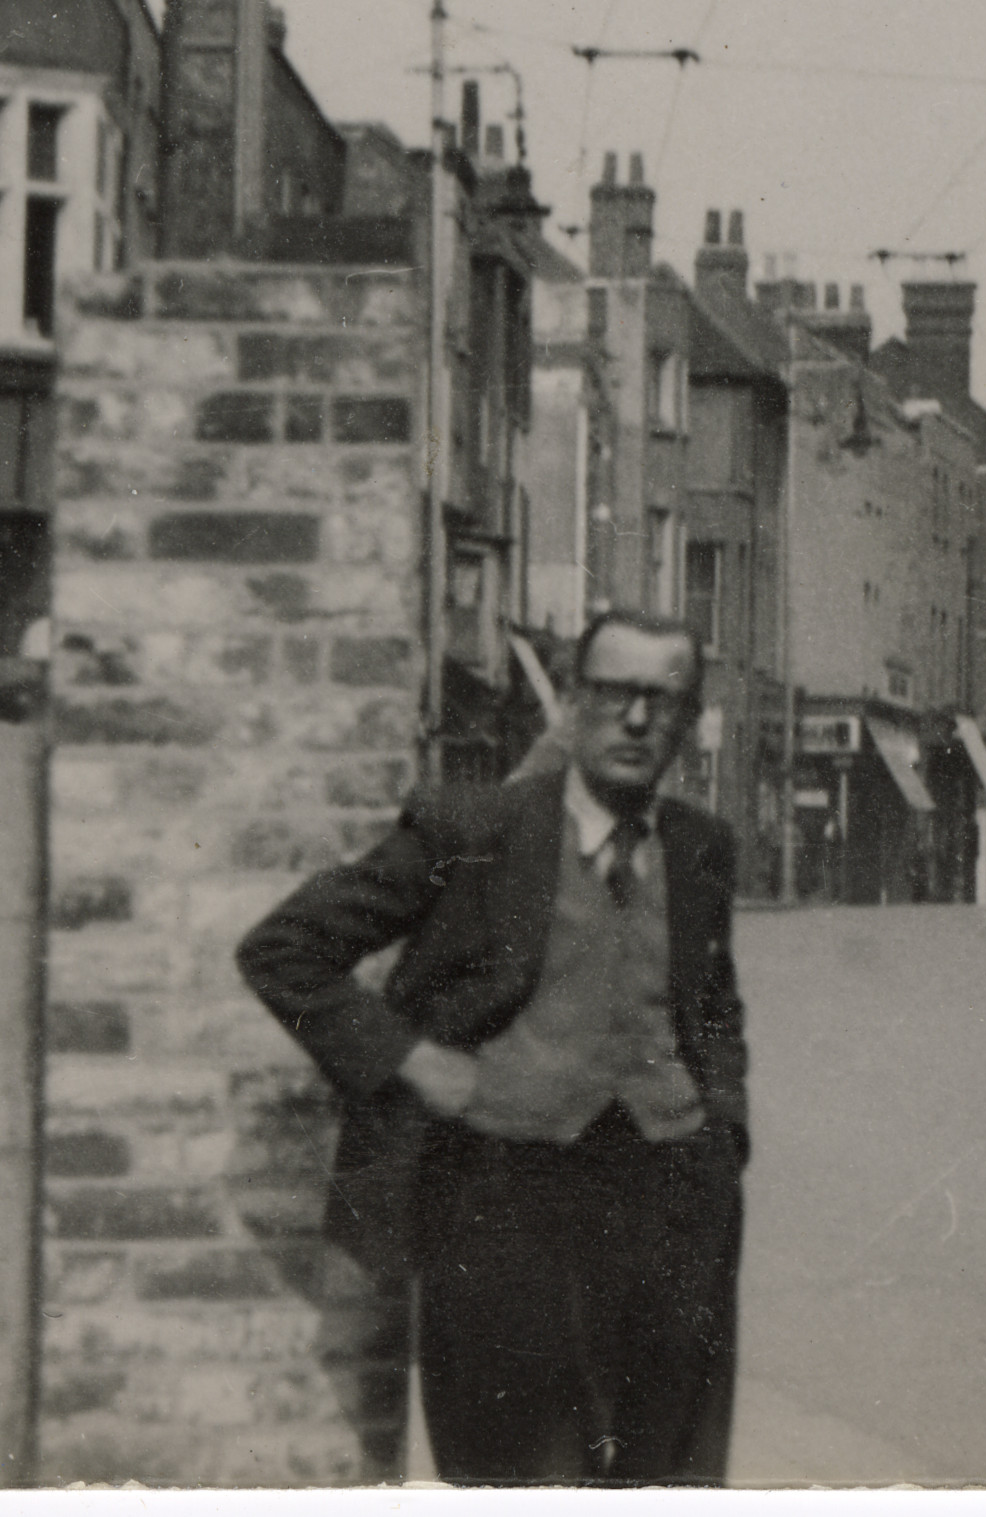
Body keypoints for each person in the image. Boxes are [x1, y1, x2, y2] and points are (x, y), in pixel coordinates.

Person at [243, 612, 754, 1484]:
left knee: (669, 1477)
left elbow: (712, 1007)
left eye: (660, 699)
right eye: (612, 692)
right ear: (574, 700)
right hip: (502, 1207)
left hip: (670, 1209)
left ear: (690, 718)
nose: (635, 719)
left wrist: (721, 1124)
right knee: (514, 1475)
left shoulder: (700, 847)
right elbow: (286, 948)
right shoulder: (477, 828)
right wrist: (407, 1057)